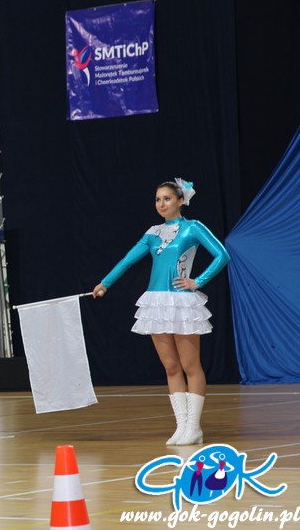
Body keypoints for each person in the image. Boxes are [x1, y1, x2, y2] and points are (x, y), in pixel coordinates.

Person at [92, 179, 230, 446]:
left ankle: (194, 427)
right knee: (170, 366)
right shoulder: (152, 233)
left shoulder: (193, 227)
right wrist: (105, 283)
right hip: (156, 303)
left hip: (181, 302)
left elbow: (222, 255)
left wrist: (198, 281)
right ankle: (182, 426)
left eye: (167, 198)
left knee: (190, 365)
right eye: (158, 199)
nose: (161, 204)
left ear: (180, 201)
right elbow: (127, 260)